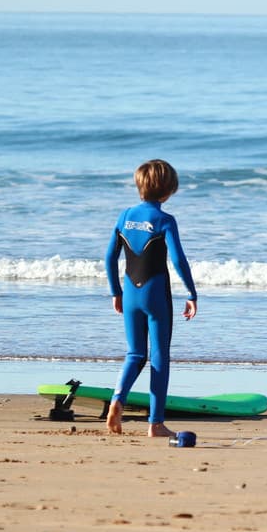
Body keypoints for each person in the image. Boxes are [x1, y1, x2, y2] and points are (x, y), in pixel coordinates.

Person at [105, 159, 198, 437]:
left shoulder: (125, 216)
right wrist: (191, 293)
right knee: (159, 358)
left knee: (135, 354)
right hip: (155, 295)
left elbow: (109, 257)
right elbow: (178, 260)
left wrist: (115, 291)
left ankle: (118, 399)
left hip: (130, 294)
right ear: (169, 191)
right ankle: (155, 424)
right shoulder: (165, 220)